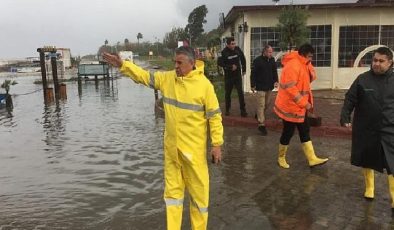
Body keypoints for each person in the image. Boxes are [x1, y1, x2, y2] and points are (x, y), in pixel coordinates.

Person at [103, 46, 224, 230]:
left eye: (179, 63)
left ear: (191, 63)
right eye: (174, 62)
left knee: (199, 199)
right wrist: (123, 65)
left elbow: (214, 116)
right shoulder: (168, 79)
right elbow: (144, 76)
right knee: (173, 198)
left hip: (194, 155)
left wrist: (216, 145)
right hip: (172, 152)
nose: (175, 66)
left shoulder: (204, 86)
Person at [340, 46, 394, 210]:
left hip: (389, 129)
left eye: (381, 61)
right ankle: (369, 188)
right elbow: (350, 99)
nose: (376, 64)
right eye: (374, 60)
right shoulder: (362, 79)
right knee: (367, 158)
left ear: (390, 62)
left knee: (392, 163)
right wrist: (345, 116)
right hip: (366, 128)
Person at [274, 43, 328, 169]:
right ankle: (281, 158)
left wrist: (308, 64)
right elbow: (291, 88)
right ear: (303, 55)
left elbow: (311, 77)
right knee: (288, 132)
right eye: (309, 57)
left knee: (304, 130)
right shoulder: (293, 66)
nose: (311, 59)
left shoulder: (303, 63)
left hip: (299, 107)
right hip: (289, 107)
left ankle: (312, 158)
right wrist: (305, 103)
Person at [251, 45, 279, 135]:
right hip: (260, 87)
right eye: (270, 52)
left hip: (269, 86)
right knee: (261, 104)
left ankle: (258, 114)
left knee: (267, 103)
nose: (271, 54)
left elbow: (274, 71)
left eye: (272, 52)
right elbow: (253, 73)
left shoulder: (272, 60)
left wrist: (276, 81)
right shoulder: (257, 61)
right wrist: (253, 84)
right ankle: (261, 124)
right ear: (265, 52)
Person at [221, 37, 247, 117]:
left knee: (240, 93)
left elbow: (243, 58)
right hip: (229, 77)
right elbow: (220, 63)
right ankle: (227, 110)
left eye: (234, 43)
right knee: (228, 94)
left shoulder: (237, 49)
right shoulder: (224, 52)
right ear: (228, 44)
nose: (234, 45)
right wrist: (230, 67)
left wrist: (244, 69)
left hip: (237, 75)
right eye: (232, 44)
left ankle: (243, 111)